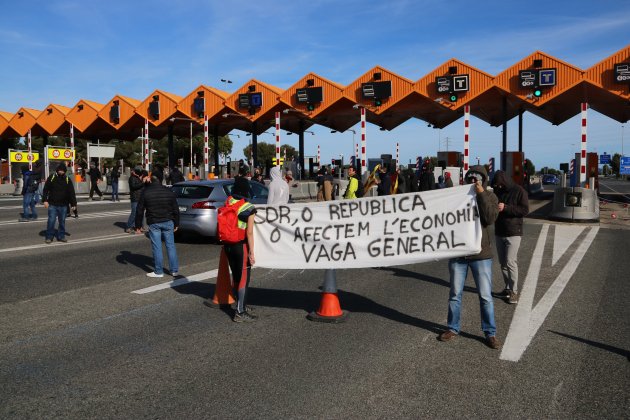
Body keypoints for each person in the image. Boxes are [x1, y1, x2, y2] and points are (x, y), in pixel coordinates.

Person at [438, 165, 501, 350]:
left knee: (485, 296)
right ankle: (452, 328)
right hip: (459, 255)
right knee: (455, 295)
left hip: (481, 255)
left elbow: (489, 218)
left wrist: (480, 193)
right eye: (470, 179)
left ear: (483, 180)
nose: (473, 182)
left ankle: (490, 333)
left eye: (477, 179)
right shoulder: (459, 196)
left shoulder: (490, 196)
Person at [492, 170, 530, 304]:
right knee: (502, 263)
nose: (499, 187)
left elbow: (525, 210)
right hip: (499, 231)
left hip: (514, 232)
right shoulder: (497, 191)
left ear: (505, 181)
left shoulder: (520, 191)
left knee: (510, 262)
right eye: (497, 186)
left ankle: (514, 292)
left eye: (500, 185)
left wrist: (506, 207)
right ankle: (507, 288)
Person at [225, 175, 257, 322]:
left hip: (228, 246)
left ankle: (241, 303)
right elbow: (249, 232)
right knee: (244, 278)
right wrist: (251, 252)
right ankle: (240, 311)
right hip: (241, 246)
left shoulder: (228, 202)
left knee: (236, 276)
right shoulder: (248, 208)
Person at [135, 175, 180, 278]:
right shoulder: (168, 191)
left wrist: (138, 225)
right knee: (171, 246)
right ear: (161, 180)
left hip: (154, 222)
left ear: (150, 180)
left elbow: (139, 209)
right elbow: (175, 208)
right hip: (168, 221)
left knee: (157, 247)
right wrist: (177, 223)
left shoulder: (146, 192)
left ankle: (159, 271)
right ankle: (174, 270)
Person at [42, 163, 77, 244]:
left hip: (63, 205)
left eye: (62, 170)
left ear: (65, 171)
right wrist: (45, 200)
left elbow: (71, 193)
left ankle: (61, 236)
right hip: (53, 205)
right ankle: (49, 237)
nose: (61, 172)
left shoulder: (67, 179)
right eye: (59, 170)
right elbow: (45, 189)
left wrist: (73, 204)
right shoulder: (52, 177)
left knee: (62, 222)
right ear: (57, 170)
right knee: (51, 221)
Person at [126, 166, 145, 233]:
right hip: (135, 198)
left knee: (141, 213)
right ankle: (129, 226)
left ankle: (140, 226)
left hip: (140, 197)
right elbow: (134, 187)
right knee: (134, 213)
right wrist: (143, 183)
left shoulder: (138, 177)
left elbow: (141, 186)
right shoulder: (132, 178)